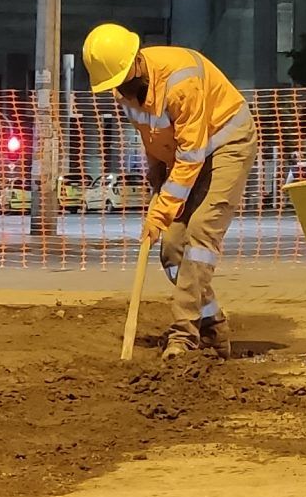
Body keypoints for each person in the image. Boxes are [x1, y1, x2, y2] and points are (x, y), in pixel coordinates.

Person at [83, 24, 255, 358]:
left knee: (201, 233)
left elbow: (192, 155)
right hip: (184, 156)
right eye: (113, 84)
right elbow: (153, 136)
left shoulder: (181, 81)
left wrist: (161, 211)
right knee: (173, 250)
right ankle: (212, 326)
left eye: (120, 80)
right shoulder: (123, 92)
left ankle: (184, 334)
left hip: (227, 143)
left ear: (135, 61)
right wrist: (155, 173)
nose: (119, 90)